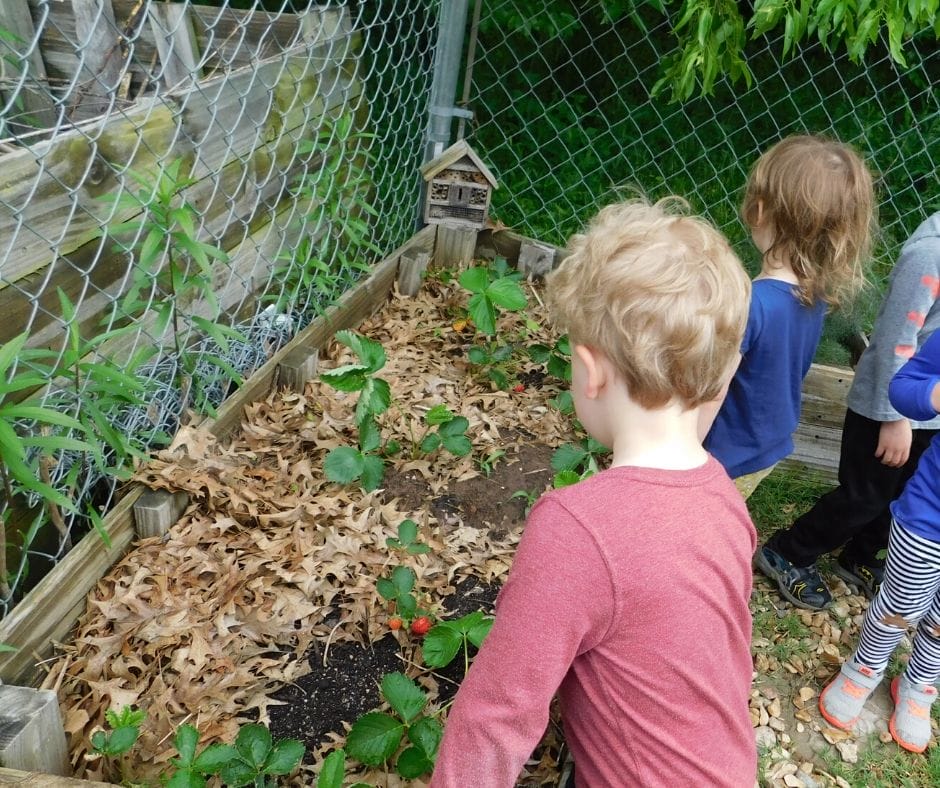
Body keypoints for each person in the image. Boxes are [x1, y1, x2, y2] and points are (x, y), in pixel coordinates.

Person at [429, 199, 757, 787]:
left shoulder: (577, 528)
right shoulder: (725, 501)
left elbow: (497, 716)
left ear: (590, 370)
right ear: (719, 373)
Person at [758, 211, 940, 610]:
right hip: (890, 407)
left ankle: (860, 556)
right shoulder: (931, 255)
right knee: (865, 497)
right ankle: (789, 551)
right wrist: (895, 417)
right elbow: (897, 339)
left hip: (930, 412)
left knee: (902, 495)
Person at [704, 135, 875, 501]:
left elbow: (711, 393)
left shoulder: (751, 304)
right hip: (767, 445)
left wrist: (681, 457)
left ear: (760, 210)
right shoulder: (813, 295)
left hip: (722, 456)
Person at [818, 329, 940, 753]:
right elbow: (905, 387)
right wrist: (936, 394)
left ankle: (920, 683)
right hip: (930, 515)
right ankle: (864, 667)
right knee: (903, 602)